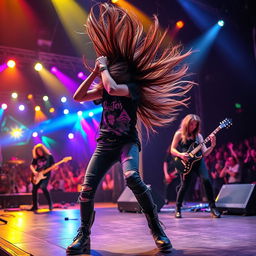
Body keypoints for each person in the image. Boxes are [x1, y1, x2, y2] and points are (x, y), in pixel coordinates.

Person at [66, 3, 193, 255]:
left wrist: (103, 70)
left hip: (127, 142)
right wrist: (94, 73)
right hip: (105, 143)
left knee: (133, 177)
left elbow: (112, 88)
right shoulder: (105, 84)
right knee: (86, 189)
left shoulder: (132, 88)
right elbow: (77, 96)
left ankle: (157, 230)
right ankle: (83, 234)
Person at [170, 114, 221, 218]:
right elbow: (172, 149)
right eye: (191, 124)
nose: (193, 127)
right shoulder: (179, 134)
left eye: (195, 125)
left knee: (206, 180)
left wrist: (212, 145)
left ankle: (213, 208)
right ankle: (178, 208)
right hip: (185, 163)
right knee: (184, 185)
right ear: (186, 124)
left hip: (198, 162)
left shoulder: (198, 136)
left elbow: (205, 153)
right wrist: (180, 154)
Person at [29, 143, 54, 211]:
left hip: (46, 175)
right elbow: (31, 165)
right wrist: (34, 171)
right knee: (34, 190)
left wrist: (55, 167)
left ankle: (50, 204)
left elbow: (53, 165)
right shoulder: (36, 158)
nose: (39, 152)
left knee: (43, 187)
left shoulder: (49, 156)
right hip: (37, 175)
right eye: (37, 151)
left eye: (40, 151)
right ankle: (35, 206)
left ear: (43, 150)